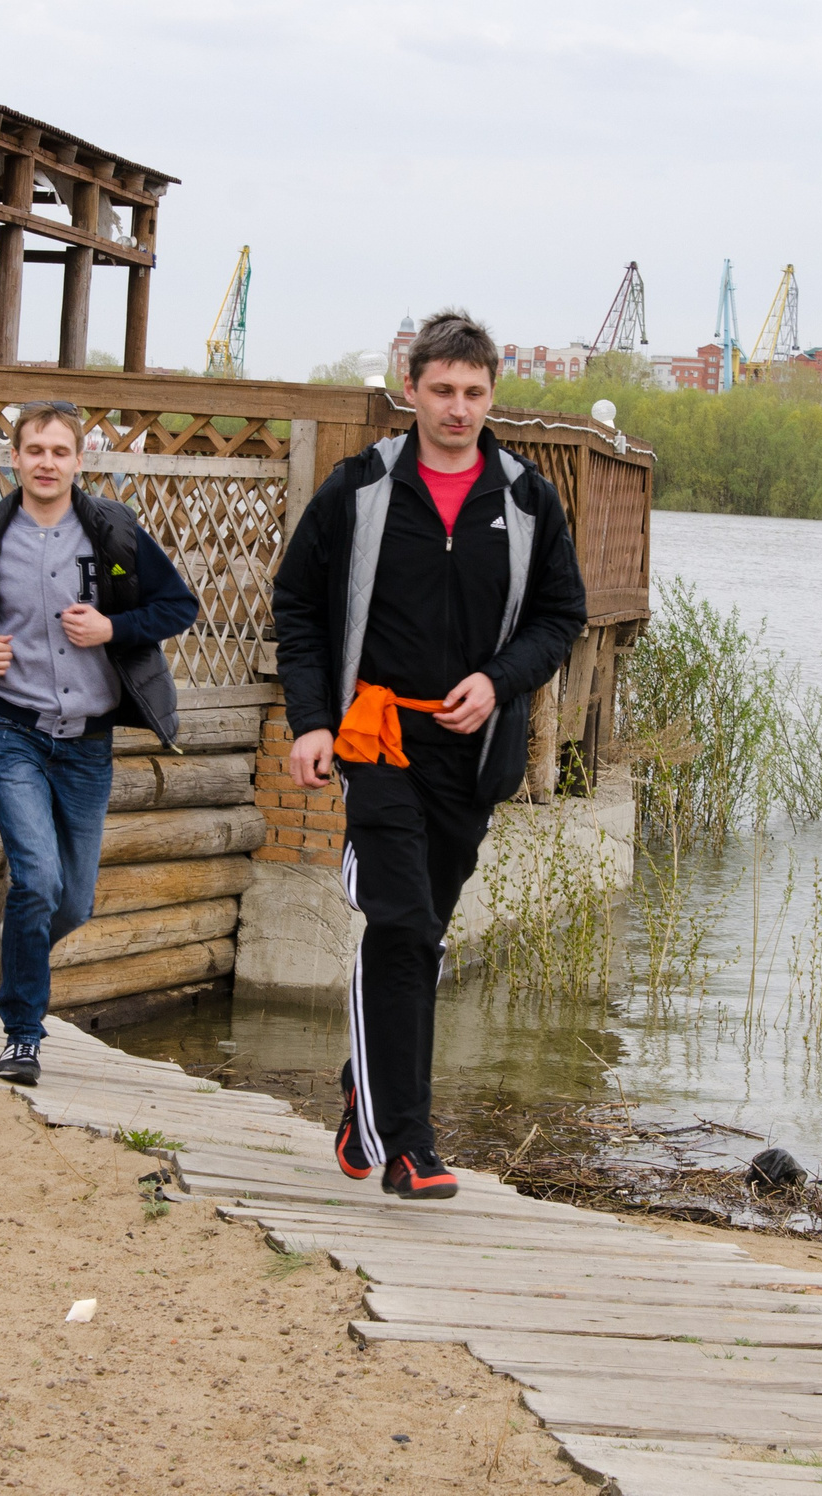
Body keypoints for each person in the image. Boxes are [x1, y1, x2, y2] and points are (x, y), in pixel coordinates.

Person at [272, 309, 588, 1200]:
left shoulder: (527, 498)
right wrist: (309, 720)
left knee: (424, 934)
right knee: (401, 923)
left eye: (474, 393)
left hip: (474, 751)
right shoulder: (358, 489)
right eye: (441, 390)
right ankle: (406, 1142)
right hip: (376, 740)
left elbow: (560, 617)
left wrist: (499, 679)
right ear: (408, 390)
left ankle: (360, 1082)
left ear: (493, 396)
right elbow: (296, 605)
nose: (457, 408)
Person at [0, 400, 199, 1083]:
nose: (47, 463)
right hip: (11, 731)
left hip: (88, 741)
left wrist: (112, 629)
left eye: (60, 452)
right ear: (15, 458)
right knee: (34, 879)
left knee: (73, 901)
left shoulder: (113, 533)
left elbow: (178, 605)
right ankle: (22, 1033)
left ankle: (18, 956)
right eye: (35, 450)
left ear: (78, 460)